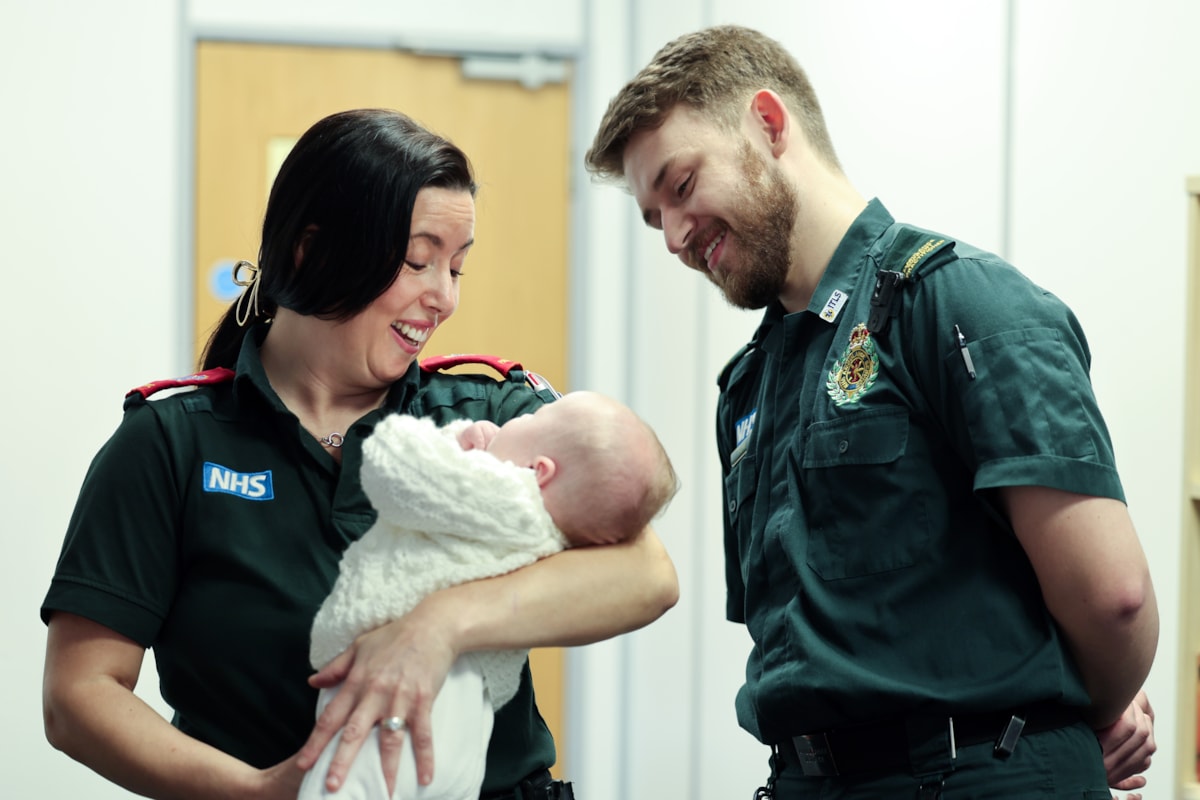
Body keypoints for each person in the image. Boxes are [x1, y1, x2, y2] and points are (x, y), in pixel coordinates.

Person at [585, 25, 1158, 800]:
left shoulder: (959, 302)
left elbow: (1114, 599)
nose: (676, 238)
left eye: (681, 187)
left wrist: (1090, 706)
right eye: (656, 219)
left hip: (978, 777)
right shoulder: (748, 388)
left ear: (768, 122)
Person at [41, 108, 679, 800]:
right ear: (309, 251)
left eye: (457, 267)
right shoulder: (171, 442)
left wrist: (438, 627)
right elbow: (78, 695)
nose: (443, 298)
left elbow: (647, 574)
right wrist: (258, 792)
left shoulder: (489, 419)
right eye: (417, 261)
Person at [300, 390, 679, 799]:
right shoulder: (555, 537)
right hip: (470, 719)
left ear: (539, 472)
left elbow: (392, 464)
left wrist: (460, 439)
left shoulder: (505, 495)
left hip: (402, 692)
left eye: (537, 419)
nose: (519, 418)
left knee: (342, 786)